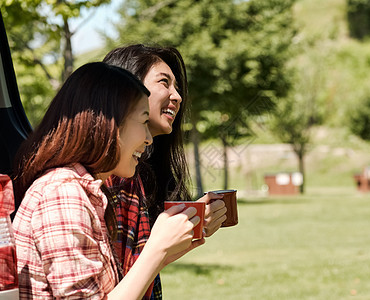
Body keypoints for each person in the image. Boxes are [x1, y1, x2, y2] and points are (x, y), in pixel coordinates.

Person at [12, 62, 203, 299]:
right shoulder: (63, 194)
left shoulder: (84, 190)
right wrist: (157, 248)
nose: (148, 139)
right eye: (144, 121)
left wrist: (167, 248)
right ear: (110, 123)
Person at [102, 45, 227, 299]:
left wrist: (195, 224)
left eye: (177, 88)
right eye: (164, 82)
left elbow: (133, 270)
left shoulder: (134, 175)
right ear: (127, 85)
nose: (178, 97)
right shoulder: (101, 178)